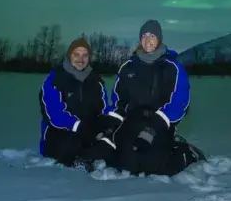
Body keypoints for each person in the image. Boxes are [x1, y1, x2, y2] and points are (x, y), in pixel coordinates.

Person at [101, 19, 205, 176]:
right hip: (133, 121)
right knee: (124, 164)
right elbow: (118, 101)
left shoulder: (172, 67)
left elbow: (180, 102)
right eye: (144, 36)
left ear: (159, 39)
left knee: (155, 166)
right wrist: (111, 125)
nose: (148, 40)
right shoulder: (128, 67)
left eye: (152, 36)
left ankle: (186, 152)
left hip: (161, 123)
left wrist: (153, 127)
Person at [38, 36, 116, 170]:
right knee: (72, 143)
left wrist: (106, 127)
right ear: (69, 56)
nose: (81, 59)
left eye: (85, 55)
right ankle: (81, 161)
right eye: (77, 54)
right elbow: (55, 115)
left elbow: (102, 110)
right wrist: (78, 126)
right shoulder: (55, 80)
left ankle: (93, 158)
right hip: (59, 134)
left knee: (111, 142)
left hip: (88, 132)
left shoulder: (96, 81)